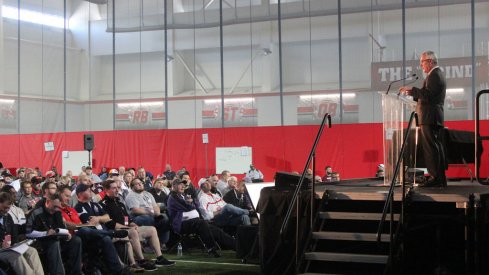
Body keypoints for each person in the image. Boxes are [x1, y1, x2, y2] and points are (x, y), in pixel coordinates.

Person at [399, 50, 447, 187]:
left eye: (423, 62)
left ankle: (435, 177)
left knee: (431, 148)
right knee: (435, 147)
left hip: (430, 117)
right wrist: (413, 94)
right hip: (431, 116)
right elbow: (427, 95)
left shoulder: (435, 75)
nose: (421, 65)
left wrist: (412, 90)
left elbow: (428, 95)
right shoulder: (435, 74)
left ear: (431, 62)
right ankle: (439, 178)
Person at [167, 179, 236, 257]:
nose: (183, 186)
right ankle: (211, 249)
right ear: (174, 186)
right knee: (203, 223)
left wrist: (192, 203)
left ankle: (237, 246)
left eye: (184, 185)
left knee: (216, 230)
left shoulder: (183, 196)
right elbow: (188, 206)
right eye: (180, 184)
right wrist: (191, 203)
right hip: (181, 224)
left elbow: (196, 204)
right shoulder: (173, 197)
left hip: (194, 222)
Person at [26, 193, 83, 275]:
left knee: (76, 240)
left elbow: (61, 228)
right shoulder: (36, 213)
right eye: (55, 206)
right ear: (48, 202)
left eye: (58, 207)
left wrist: (66, 234)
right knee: (54, 244)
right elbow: (28, 233)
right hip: (41, 242)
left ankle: (76, 272)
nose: (56, 209)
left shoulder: (57, 212)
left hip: (57, 238)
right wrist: (45, 233)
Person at [0, 192, 44, 275]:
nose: (6, 210)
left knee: (32, 251)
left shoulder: (7, 217)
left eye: (8, 208)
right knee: (16, 255)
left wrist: (17, 243)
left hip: (9, 247)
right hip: (2, 250)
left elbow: (14, 232)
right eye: (5, 207)